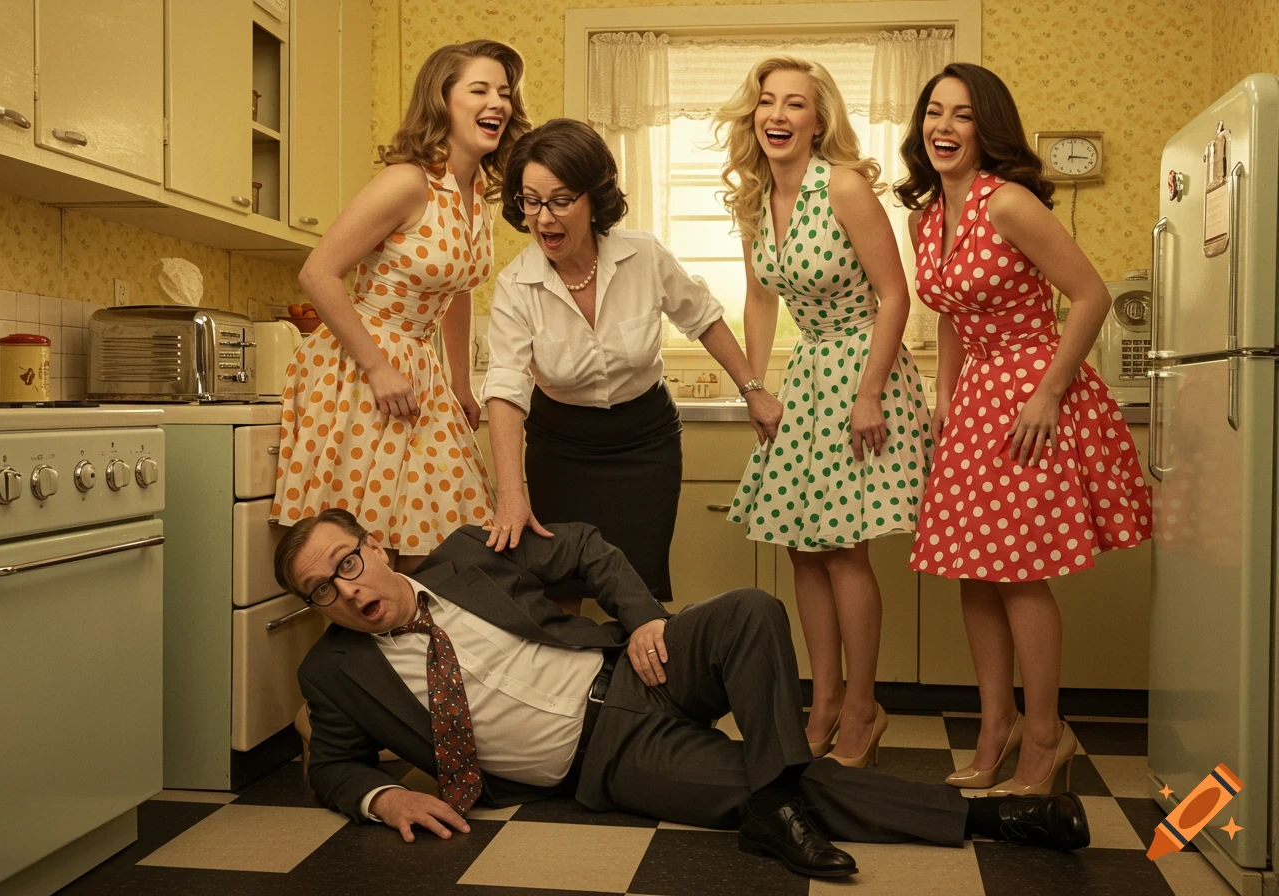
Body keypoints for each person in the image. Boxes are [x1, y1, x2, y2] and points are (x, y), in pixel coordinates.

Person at [277, 508, 1091, 879]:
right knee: (761, 780)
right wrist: (384, 798)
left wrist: (643, 620)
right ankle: (997, 818)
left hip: (634, 669)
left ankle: (773, 803)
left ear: (377, 549)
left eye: (347, 563)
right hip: (608, 758)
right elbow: (336, 767)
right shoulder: (334, 673)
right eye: (321, 590)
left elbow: (586, 548)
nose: (345, 591)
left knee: (751, 610)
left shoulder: (466, 554)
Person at [894, 63, 1152, 794]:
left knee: (1018, 572)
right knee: (974, 572)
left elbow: (1091, 295)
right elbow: (952, 313)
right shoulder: (925, 219)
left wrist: (1049, 392)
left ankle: (1045, 735)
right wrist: (945, 396)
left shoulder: (1007, 202)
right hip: (977, 397)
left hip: (1032, 391)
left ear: (988, 129)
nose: (944, 127)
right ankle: (996, 726)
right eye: (934, 112)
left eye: (962, 115)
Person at [715, 57, 933, 766]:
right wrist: (755, 385)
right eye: (766, 102)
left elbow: (894, 296)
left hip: (863, 370)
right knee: (803, 550)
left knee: (843, 550)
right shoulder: (754, 199)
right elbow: (758, 299)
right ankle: (826, 702)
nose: (777, 115)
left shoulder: (842, 186)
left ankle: (864, 709)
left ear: (818, 120)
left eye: (795, 104)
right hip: (807, 375)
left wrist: (869, 393)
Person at [479, 118, 783, 605]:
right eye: (531, 202)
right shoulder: (516, 286)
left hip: (645, 443)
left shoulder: (643, 255)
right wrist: (511, 495)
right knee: (560, 590)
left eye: (560, 201)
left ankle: (642, 657)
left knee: (637, 592)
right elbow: (506, 388)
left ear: (594, 199)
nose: (544, 219)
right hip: (561, 448)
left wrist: (754, 390)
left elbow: (703, 318)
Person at [271, 40, 531, 572]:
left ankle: (421, 628)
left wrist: (461, 383)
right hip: (358, 368)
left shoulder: (477, 193)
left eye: (504, 93)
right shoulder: (407, 181)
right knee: (366, 549)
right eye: (479, 90)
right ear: (442, 101)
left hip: (418, 366)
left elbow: (457, 288)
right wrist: (377, 365)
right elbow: (317, 273)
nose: (497, 103)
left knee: (445, 535)